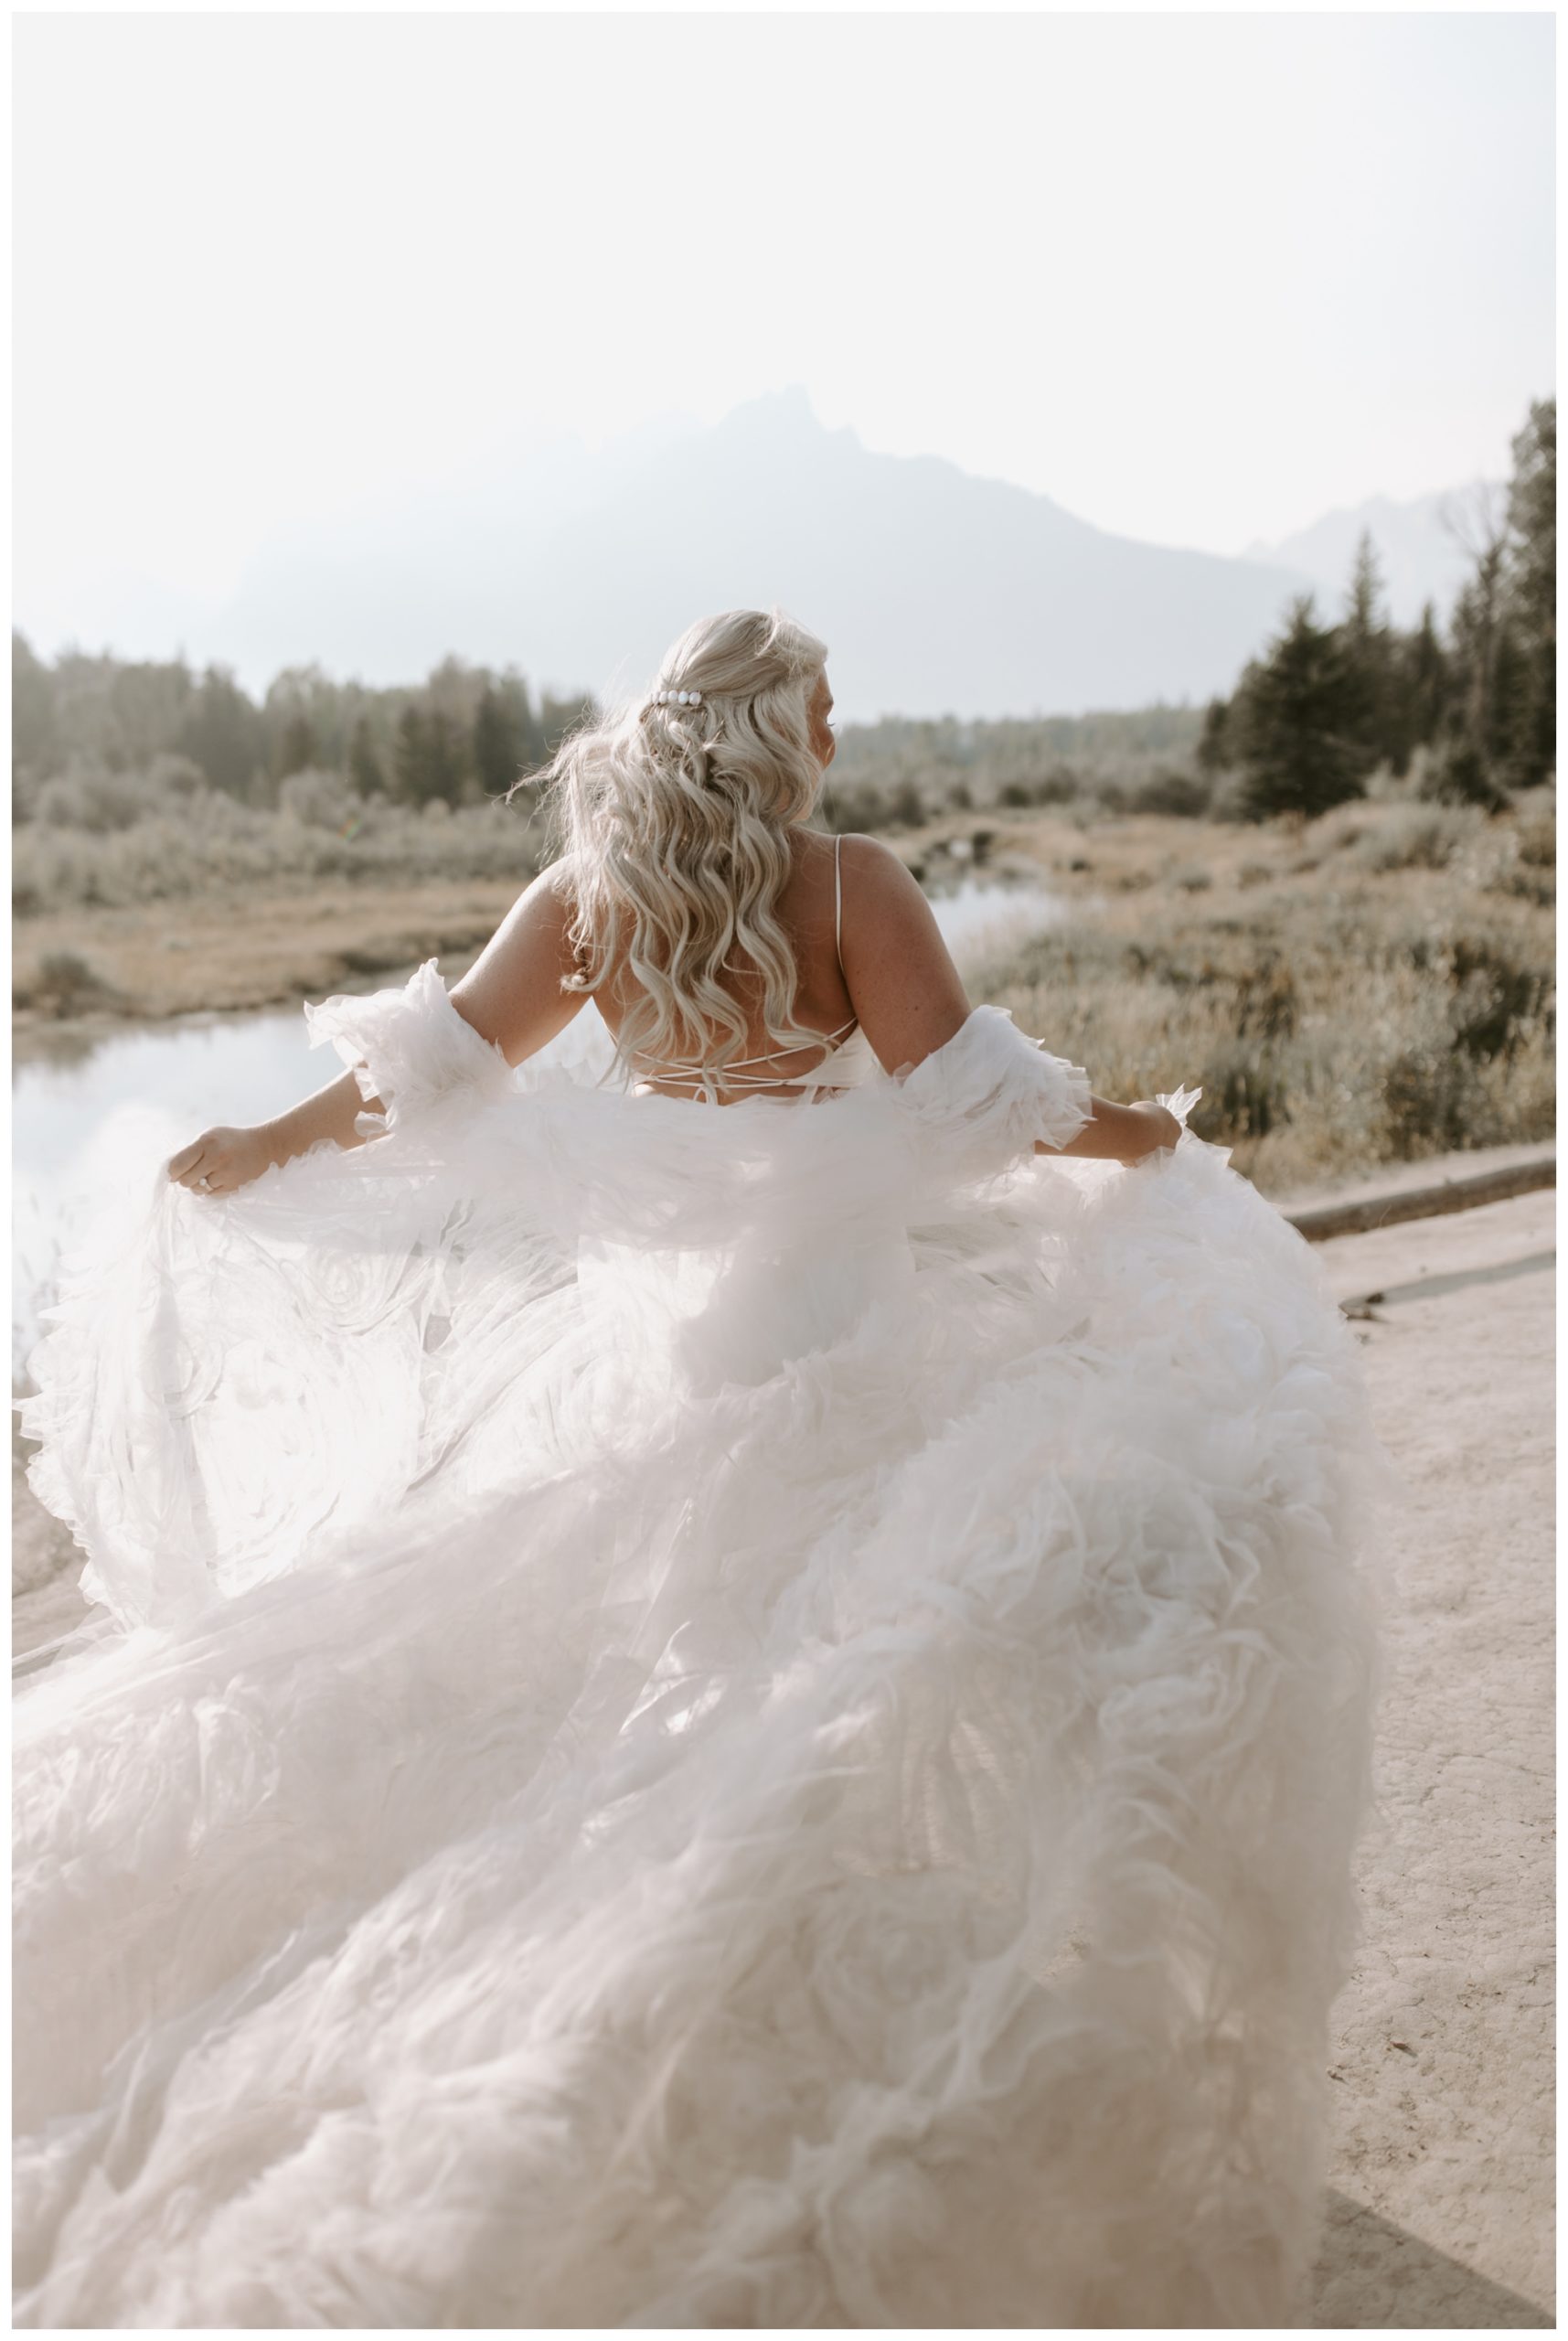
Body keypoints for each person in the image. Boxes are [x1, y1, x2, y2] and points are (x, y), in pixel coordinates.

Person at [15, 607, 1387, 2329]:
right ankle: (782, 1963)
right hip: (832, 1320)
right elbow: (977, 1106)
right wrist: (1158, 1137)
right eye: (823, 706)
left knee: (706, 1652)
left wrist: (266, 1143)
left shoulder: (597, 897)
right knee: (853, 1638)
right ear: (770, 728)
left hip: (683, 1341)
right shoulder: (849, 889)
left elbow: (428, 1075)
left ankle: (711, 1965)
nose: (838, 732)